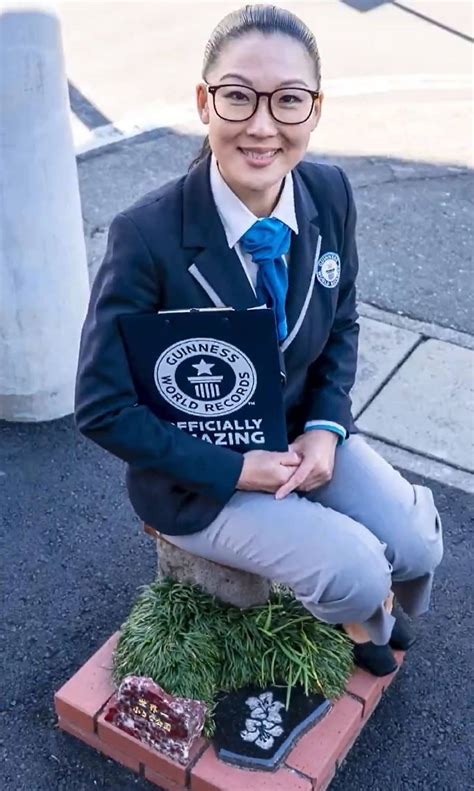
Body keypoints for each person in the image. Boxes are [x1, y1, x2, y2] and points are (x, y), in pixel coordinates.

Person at [74, 4, 443, 676]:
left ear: (315, 109)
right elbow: (102, 405)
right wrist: (236, 468)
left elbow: (343, 319)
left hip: (302, 434)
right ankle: (369, 615)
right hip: (200, 477)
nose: (263, 124)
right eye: (239, 96)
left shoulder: (329, 192)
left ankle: (381, 603)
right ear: (204, 102)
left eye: (289, 100)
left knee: (418, 541)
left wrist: (327, 427)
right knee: (358, 570)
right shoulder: (146, 236)